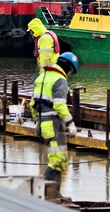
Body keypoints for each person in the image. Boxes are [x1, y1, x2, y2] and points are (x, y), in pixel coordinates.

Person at [30, 51, 79, 193]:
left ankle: (54, 193)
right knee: (57, 160)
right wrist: (71, 124)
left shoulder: (42, 77)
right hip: (52, 124)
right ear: (69, 69)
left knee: (60, 160)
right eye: (71, 72)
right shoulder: (59, 80)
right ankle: (46, 193)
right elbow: (59, 105)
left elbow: (32, 103)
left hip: (42, 124)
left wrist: (37, 121)